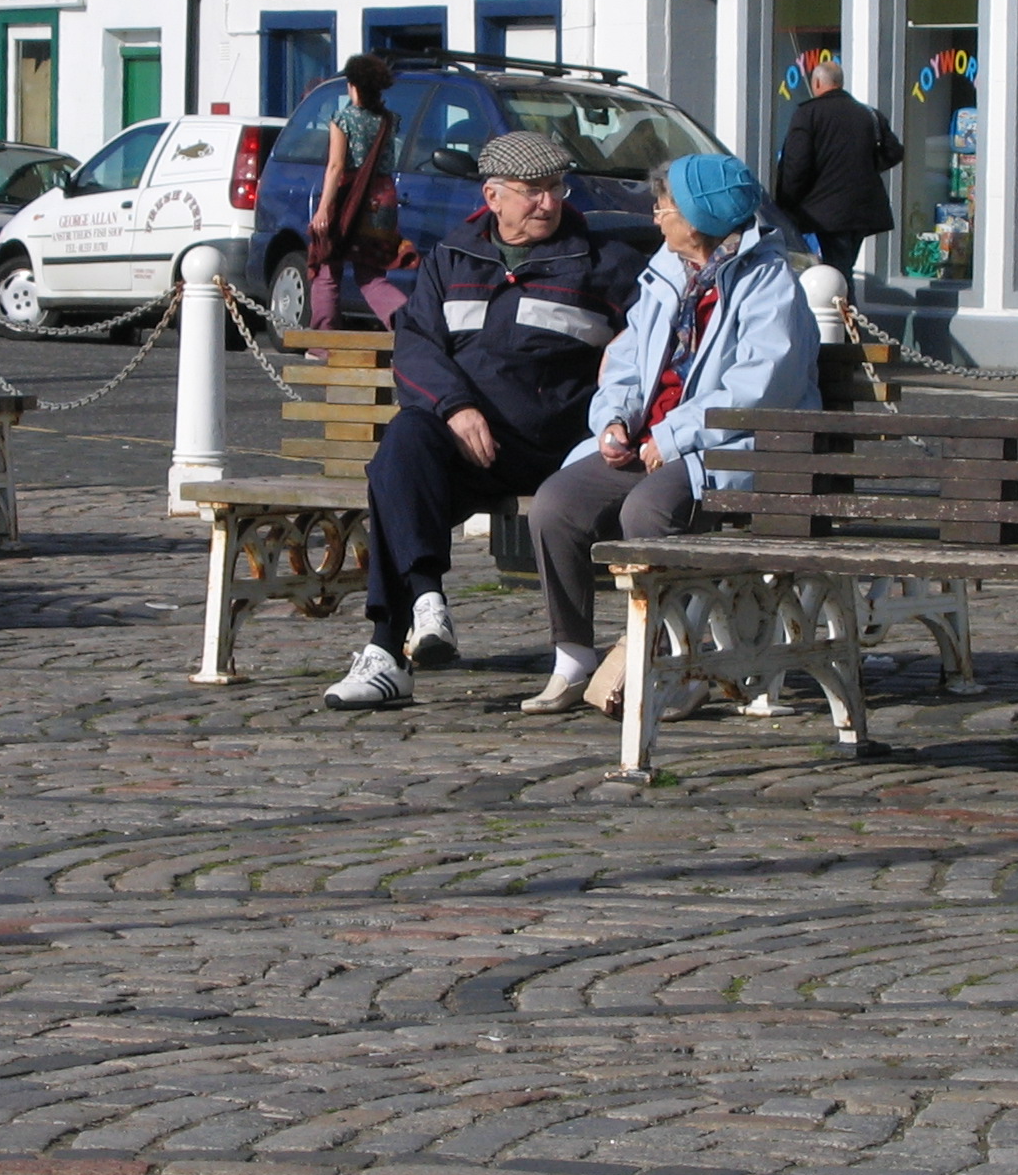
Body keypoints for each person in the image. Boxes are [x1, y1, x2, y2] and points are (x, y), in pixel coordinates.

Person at [322, 130, 642, 711]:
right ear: (493, 197)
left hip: (548, 450)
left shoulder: (603, 264)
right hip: (464, 442)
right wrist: (457, 407)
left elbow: (653, 340)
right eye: (533, 191)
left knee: (391, 481)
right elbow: (417, 346)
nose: (549, 202)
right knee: (402, 448)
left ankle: (387, 649)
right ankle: (423, 606)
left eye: (555, 188)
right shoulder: (452, 257)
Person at [520, 155, 820, 712]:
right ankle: (573, 656)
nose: (656, 217)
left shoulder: (769, 285)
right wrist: (614, 420)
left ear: (702, 217)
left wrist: (674, 435)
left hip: (734, 448)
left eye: (666, 207)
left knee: (648, 511)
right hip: (657, 439)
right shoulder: (666, 274)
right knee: (556, 503)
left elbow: (758, 391)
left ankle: (673, 659)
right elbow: (627, 364)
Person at [774, 57, 904, 283]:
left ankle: (844, 316)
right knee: (843, 267)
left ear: (816, 84)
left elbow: (796, 165)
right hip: (863, 208)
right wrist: (867, 167)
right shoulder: (869, 114)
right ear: (840, 83)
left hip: (826, 212)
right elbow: (894, 152)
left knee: (836, 273)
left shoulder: (808, 114)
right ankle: (845, 313)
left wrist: (786, 205)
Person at [306, 54, 409, 329]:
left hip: (349, 199)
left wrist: (324, 208)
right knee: (371, 275)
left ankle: (322, 343)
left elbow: (336, 166)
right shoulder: (390, 120)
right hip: (383, 200)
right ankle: (409, 326)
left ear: (352, 85)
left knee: (327, 268)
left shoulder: (342, 119)